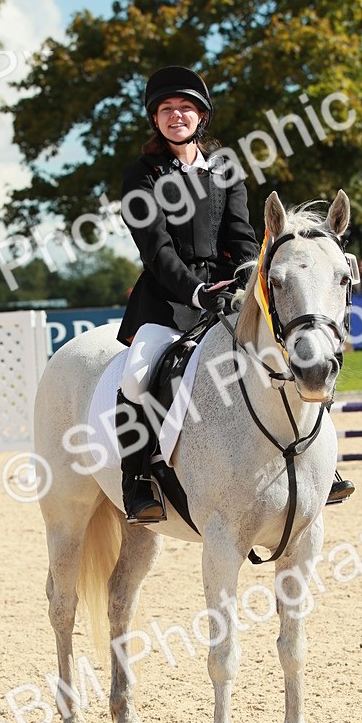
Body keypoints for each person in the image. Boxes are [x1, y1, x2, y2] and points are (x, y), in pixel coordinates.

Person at [115, 65, 259, 522]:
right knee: (137, 377)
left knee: (286, 353)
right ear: (155, 119)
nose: (176, 116)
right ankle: (137, 480)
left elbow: (242, 234)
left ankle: (317, 461)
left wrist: (245, 277)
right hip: (167, 299)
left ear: (201, 117)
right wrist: (197, 292)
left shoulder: (225, 170)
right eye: (166, 109)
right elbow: (155, 249)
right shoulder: (141, 176)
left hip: (229, 293)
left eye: (185, 108)